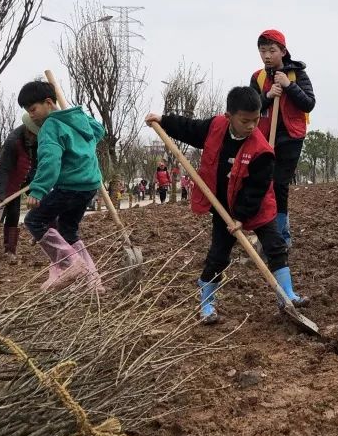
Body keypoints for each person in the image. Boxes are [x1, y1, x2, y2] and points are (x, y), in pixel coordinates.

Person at [145, 86, 306, 323]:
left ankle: (287, 295)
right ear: (229, 116)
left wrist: (241, 217)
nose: (252, 126)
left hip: (257, 206)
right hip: (223, 206)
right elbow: (190, 128)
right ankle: (207, 304)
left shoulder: (261, 151)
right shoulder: (215, 127)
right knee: (218, 255)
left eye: (256, 119)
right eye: (245, 121)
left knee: (275, 246)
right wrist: (163, 120)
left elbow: (256, 189)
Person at [18, 80, 106, 293]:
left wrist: (38, 189)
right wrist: (79, 116)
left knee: (35, 220)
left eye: (33, 109)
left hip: (70, 186)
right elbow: (99, 130)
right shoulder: (77, 120)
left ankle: (70, 264)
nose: (31, 116)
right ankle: (93, 281)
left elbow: (50, 160)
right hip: (89, 186)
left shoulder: (51, 126)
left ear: (48, 102)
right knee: (68, 229)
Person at [250, 29, 316, 249]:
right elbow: (251, 108)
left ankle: (281, 235)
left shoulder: (297, 75)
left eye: (272, 50)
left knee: (279, 184)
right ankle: (266, 231)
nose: (267, 55)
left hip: (291, 136)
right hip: (263, 137)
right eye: (262, 50)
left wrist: (288, 86)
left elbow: (308, 103)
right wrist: (268, 96)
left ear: (283, 51)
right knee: (263, 184)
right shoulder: (258, 77)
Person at [0, 114, 39, 264]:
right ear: (27, 130)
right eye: (32, 134)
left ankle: (41, 233)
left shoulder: (40, 138)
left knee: (45, 203)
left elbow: (38, 162)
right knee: (13, 213)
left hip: (29, 176)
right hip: (10, 180)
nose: (33, 137)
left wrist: (38, 187)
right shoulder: (13, 141)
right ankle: (10, 250)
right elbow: (4, 169)